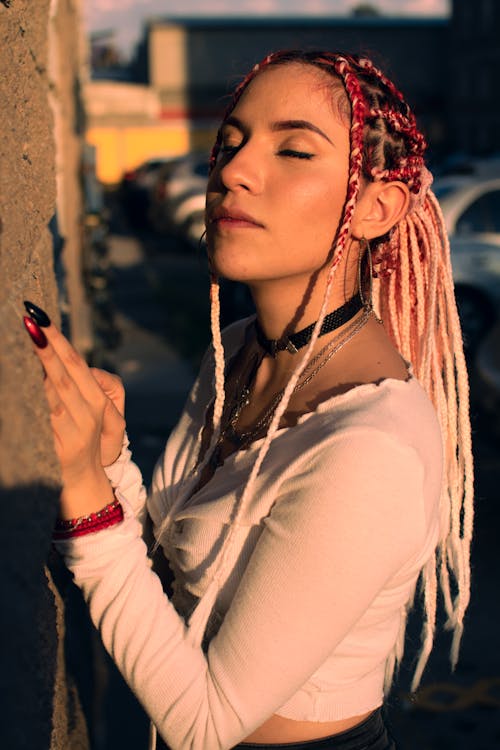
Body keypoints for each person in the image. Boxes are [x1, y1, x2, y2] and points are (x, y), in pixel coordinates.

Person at [22, 50, 473, 750]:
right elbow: (169, 566)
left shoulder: (369, 447)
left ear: (377, 208)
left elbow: (206, 725)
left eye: (294, 150)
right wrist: (109, 458)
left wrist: (85, 494)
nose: (232, 171)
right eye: (229, 143)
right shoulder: (238, 348)